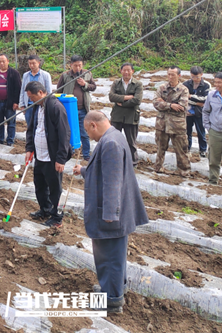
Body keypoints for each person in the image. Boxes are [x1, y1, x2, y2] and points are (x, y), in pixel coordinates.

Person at [73, 111, 148, 315]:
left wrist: (110, 213)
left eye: (87, 131)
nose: (88, 136)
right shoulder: (115, 135)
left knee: (108, 258)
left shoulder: (110, 144)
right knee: (115, 254)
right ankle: (114, 290)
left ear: (93, 125)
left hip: (111, 213)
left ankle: (112, 301)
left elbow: (112, 181)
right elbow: (103, 170)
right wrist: (82, 170)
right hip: (117, 210)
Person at [24, 81, 72, 229]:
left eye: (32, 97)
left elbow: (65, 134)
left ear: (40, 93)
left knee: (55, 189)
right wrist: (29, 149)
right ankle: (44, 209)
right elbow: (32, 129)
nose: (31, 100)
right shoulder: (37, 107)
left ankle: (57, 217)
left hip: (52, 157)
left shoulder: (56, 107)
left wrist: (60, 159)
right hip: (39, 155)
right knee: (40, 185)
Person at [152, 66, 191, 176]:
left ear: (179, 75)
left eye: (172, 74)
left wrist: (163, 102)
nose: (170, 77)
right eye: (168, 74)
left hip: (177, 125)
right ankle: (158, 167)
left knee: (181, 149)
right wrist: (171, 105)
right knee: (160, 147)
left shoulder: (183, 90)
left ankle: (184, 170)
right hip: (162, 123)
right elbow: (155, 103)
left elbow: (182, 106)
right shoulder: (162, 87)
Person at [56, 55, 97, 161]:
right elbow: (59, 90)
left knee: (84, 132)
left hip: (83, 109)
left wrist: (85, 84)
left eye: (79, 65)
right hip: (68, 109)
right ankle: (70, 151)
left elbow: (93, 87)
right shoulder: (65, 75)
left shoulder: (87, 74)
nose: (78, 68)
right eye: (75, 65)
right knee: (68, 130)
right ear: (71, 65)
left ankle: (86, 153)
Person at [109, 63, 143, 165]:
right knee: (113, 139)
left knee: (131, 141)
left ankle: (133, 161)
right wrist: (126, 97)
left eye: (128, 70)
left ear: (132, 71)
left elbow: (137, 100)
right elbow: (111, 97)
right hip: (117, 116)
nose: (126, 72)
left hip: (131, 116)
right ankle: (113, 159)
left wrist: (121, 103)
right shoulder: (116, 83)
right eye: (124, 70)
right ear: (121, 71)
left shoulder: (137, 84)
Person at [0, 54, 22, 146]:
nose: (2, 63)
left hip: (9, 103)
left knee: (11, 123)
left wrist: (16, 102)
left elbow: (18, 88)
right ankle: (0, 140)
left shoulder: (14, 73)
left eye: (3, 61)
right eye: (0, 62)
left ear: (8, 61)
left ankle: (10, 141)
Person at [19, 55, 53, 129]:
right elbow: (22, 91)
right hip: (29, 106)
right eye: (30, 63)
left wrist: (47, 104)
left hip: (41, 105)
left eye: (33, 63)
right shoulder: (26, 75)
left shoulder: (45, 75)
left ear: (38, 63)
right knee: (30, 127)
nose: (31, 65)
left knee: (41, 126)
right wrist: (22, 105)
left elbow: (49, 91)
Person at [183, 66, 210, 158]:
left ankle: (202, 150)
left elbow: (205, 99)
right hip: (187, 113)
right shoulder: (186, 84)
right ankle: (187, 149)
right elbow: (183, 97)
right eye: (193, 77)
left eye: (197, 77)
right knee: (187, 132)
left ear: (201, 75)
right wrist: (197, 102)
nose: (195, 79)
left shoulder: (206, 85)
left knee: (201, 132)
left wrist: (190, 97)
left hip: (200, 113)